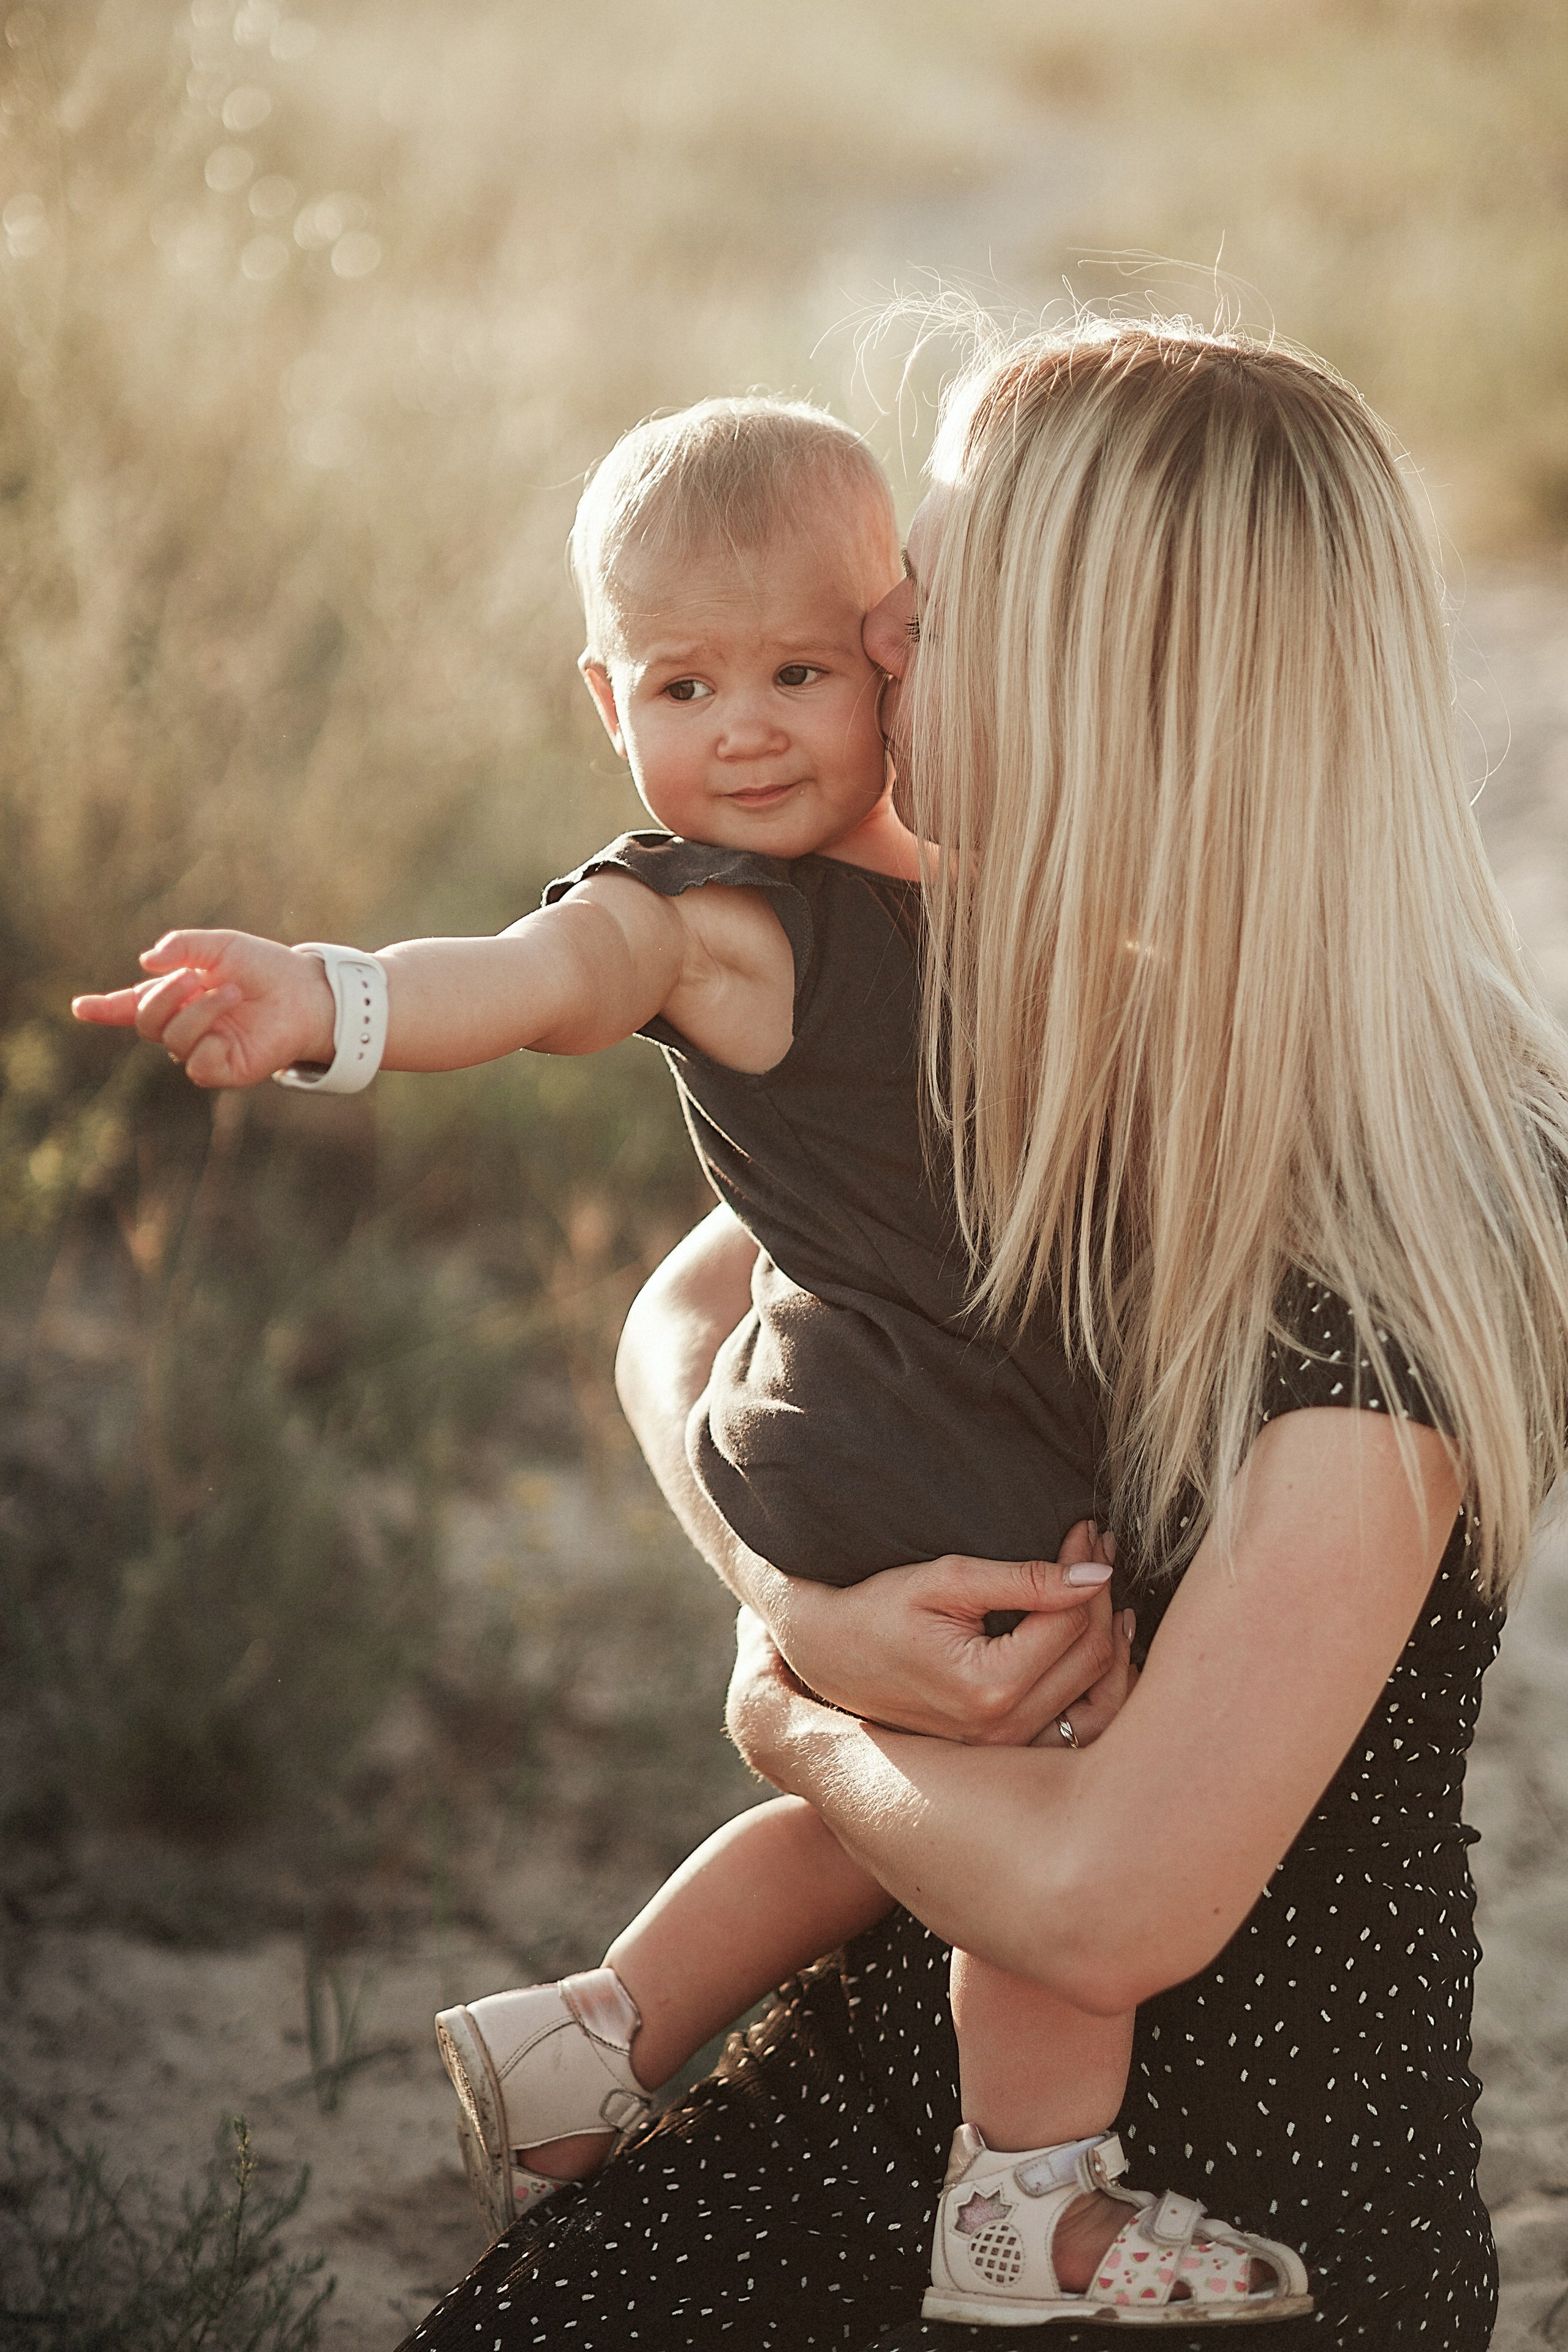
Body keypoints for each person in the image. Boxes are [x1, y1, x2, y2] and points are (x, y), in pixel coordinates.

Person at [387, 314, 1568, 2351]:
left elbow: (1120, 1896)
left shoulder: (1414, 1202)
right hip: (894, 2069)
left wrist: (798, 1719)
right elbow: (696, 1308)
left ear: (1116, 682)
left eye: (919, 616)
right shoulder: (1048, 992)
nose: (871, 666)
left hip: (1223, 2222)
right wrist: (789, 1585)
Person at [72, 392, 1304, 2326]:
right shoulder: (702, 919)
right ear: (606, 698)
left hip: (925, 1403)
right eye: (682, 682)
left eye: (800, 671)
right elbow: (540, 977)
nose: (741, 727)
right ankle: (1024, 2205)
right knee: (1060, 1781)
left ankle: (597, 2034)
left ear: (899, 647)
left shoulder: (946, 883)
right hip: (910, 1441)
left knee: (889, 1811)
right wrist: (332, 1001)